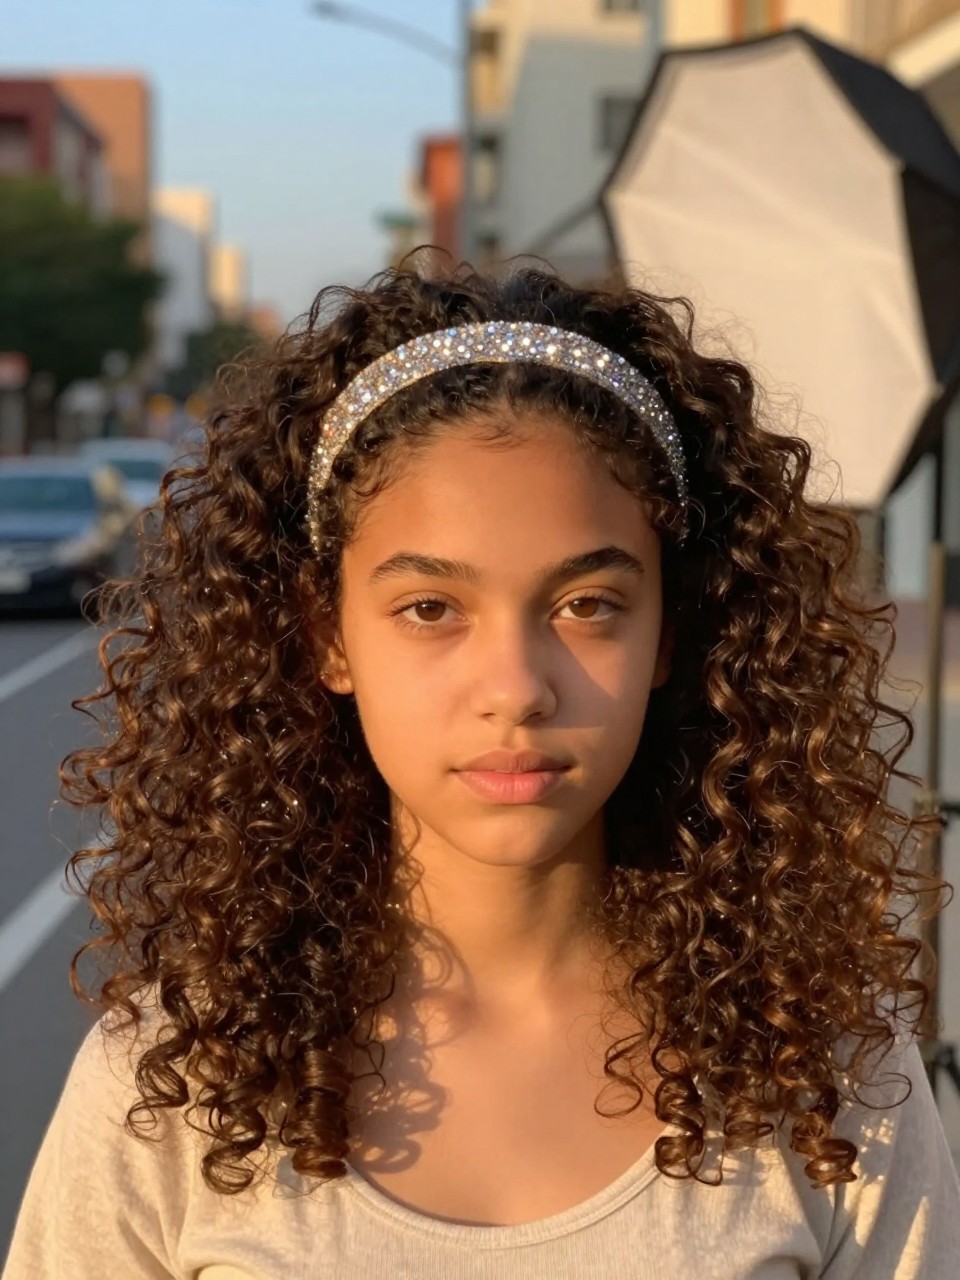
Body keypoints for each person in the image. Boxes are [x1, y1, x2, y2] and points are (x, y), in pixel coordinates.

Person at [4, 259, 960, 1279]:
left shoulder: (824, 1068)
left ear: (669, 636)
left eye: (587, 603)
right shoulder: (182, 1075)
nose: (515, 686)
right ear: (328, 637)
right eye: (431, 608)